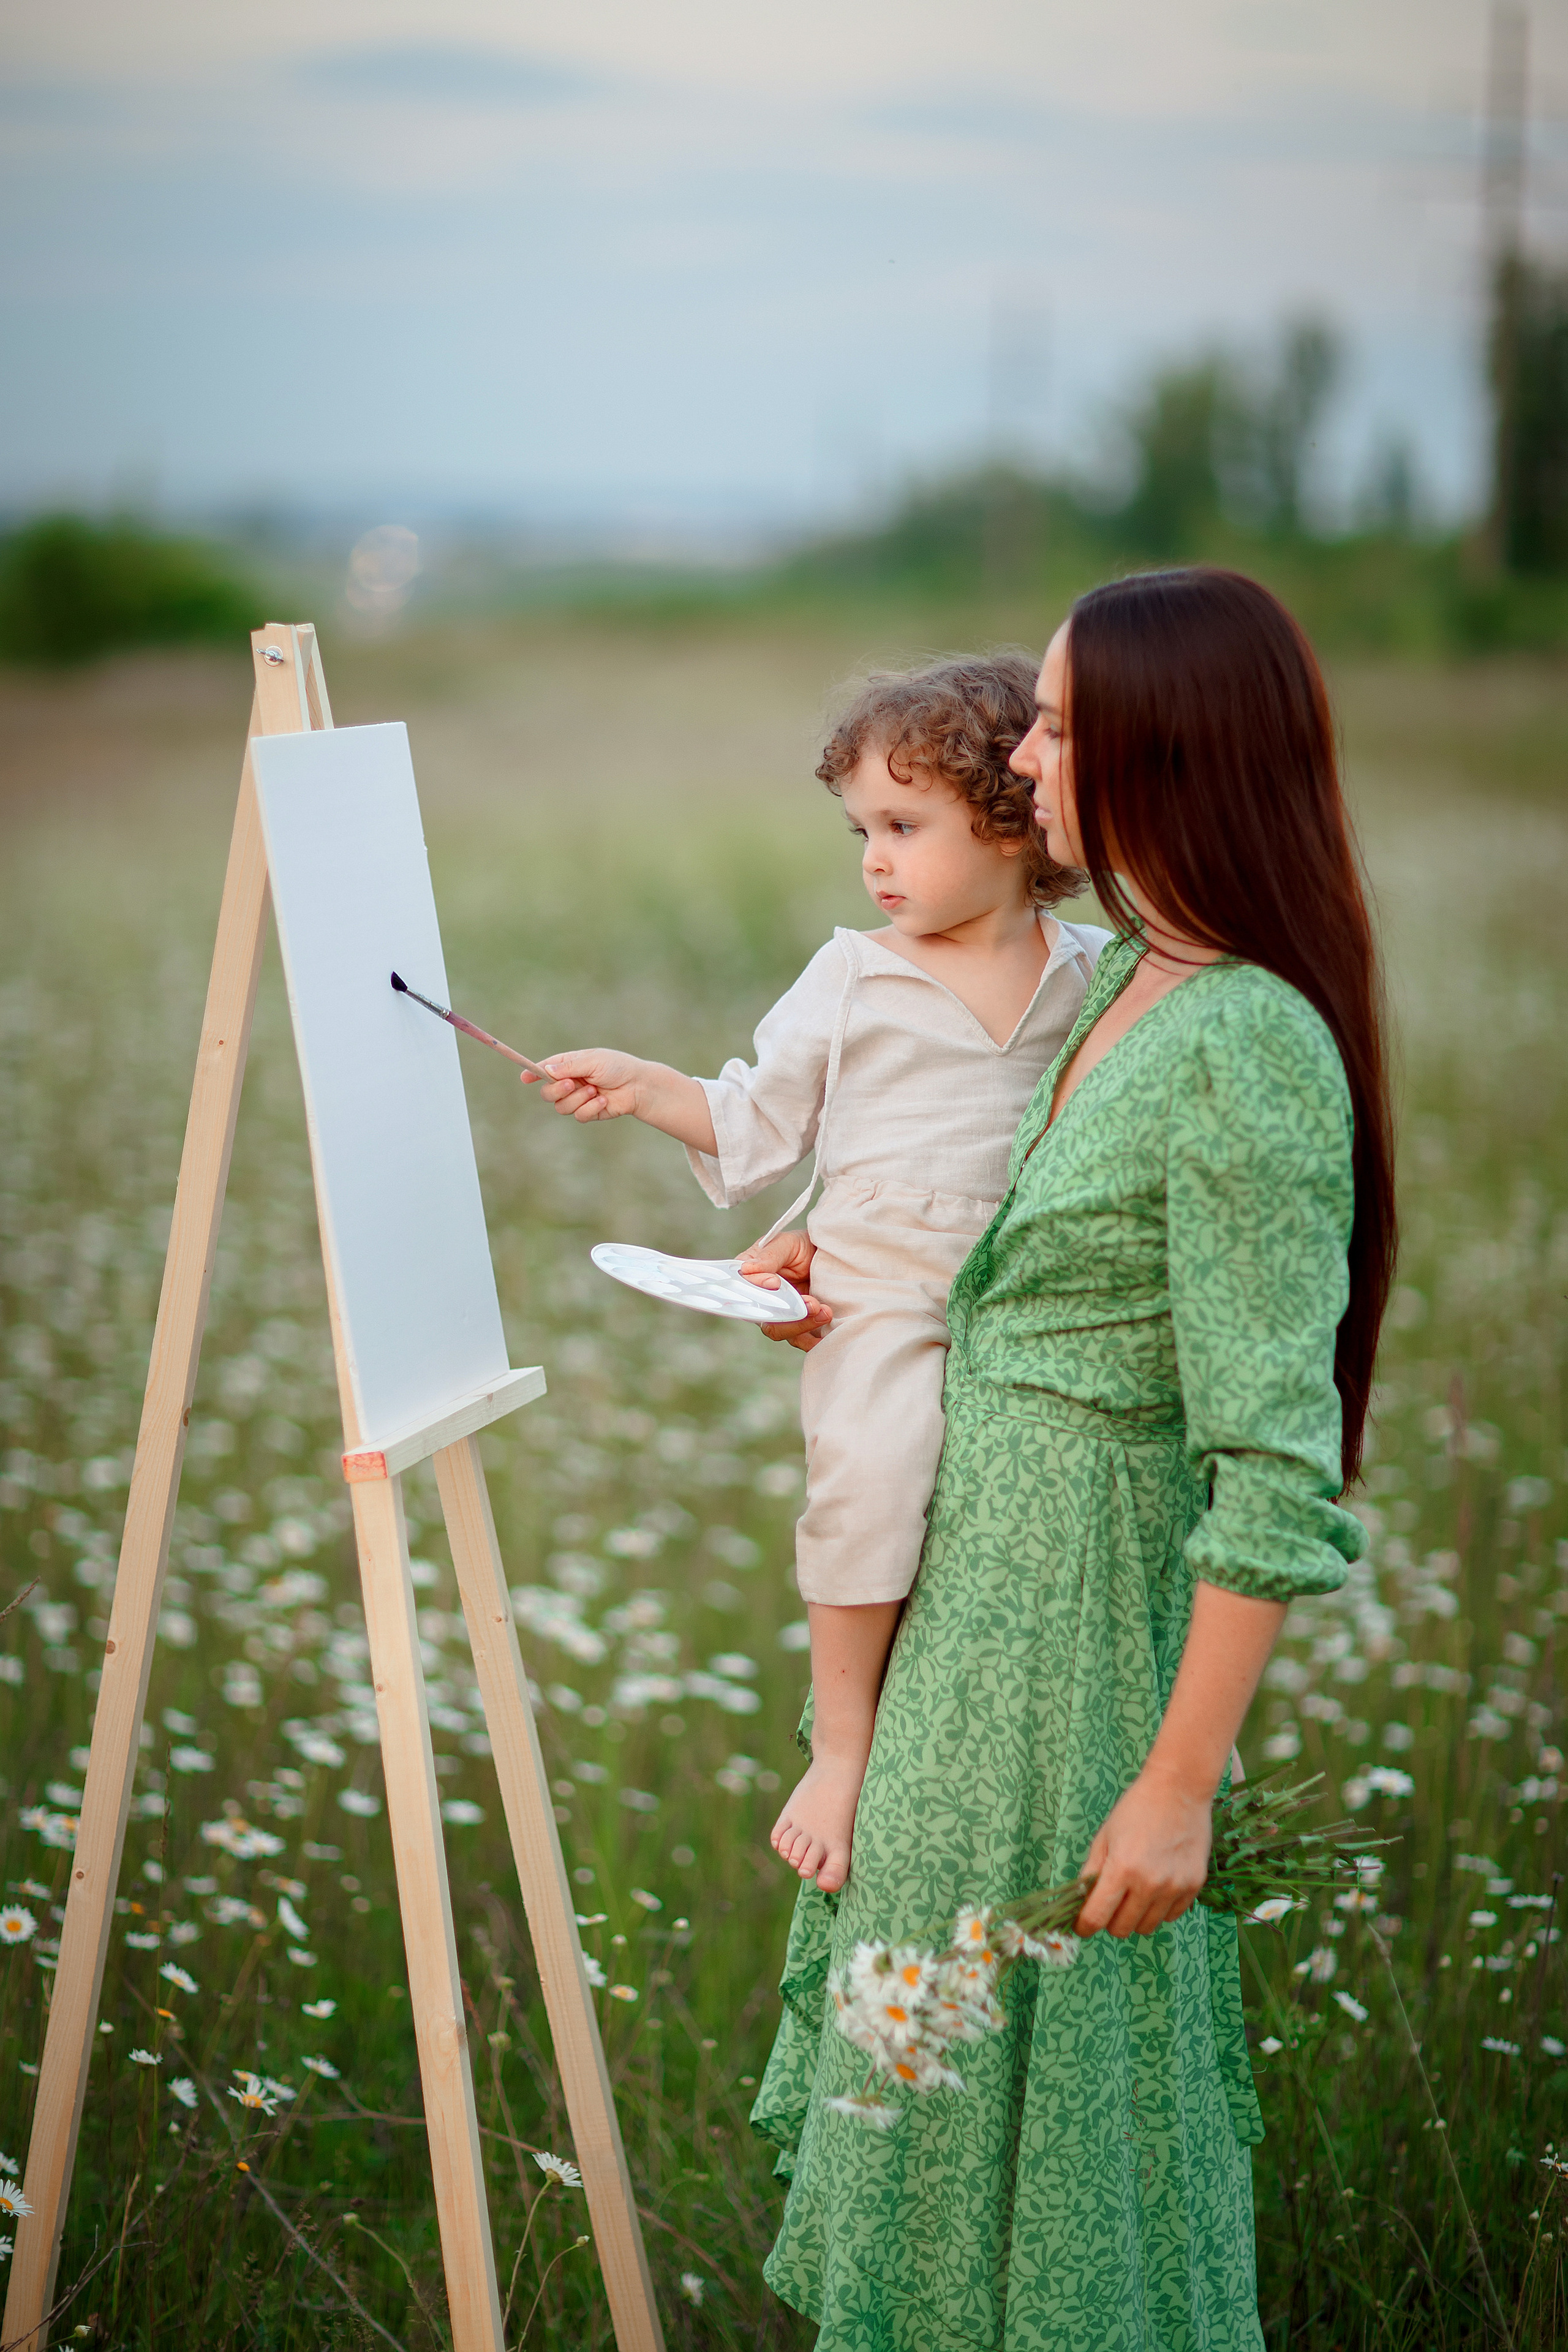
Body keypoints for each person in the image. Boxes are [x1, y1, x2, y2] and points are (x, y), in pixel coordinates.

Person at [750, 568, 1398, 2350]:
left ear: (1163, 749)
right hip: (967, 1616)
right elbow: (1015, 1245)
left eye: (1054, 724)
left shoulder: (1245, 1035)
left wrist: (1181, 1782)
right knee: (925, 2104)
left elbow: (1274, 1467)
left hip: (1077, 1652)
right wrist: (837, 1251)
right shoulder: (1118, 988)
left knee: (1036, 2130)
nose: (1022, 763)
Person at [527, 656, 1108, 1894]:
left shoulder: (1092, 972)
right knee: (869, 1475)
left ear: (1013, 821)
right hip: (879, 1287)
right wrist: (645, 1087)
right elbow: (755, 1119)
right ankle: (843, 1748)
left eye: (903, 826)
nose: (873, 860)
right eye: (860, 831)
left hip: (1024, 1287)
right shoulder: (853, 972)